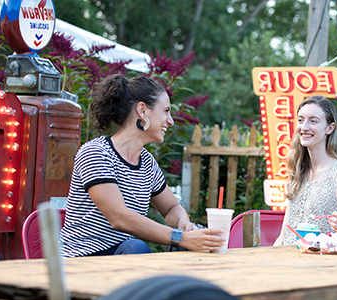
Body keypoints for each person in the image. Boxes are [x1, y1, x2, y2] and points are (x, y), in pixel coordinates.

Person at [60, 74, 224, 257]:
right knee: (137, 248)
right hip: (80, 260)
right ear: (142, 111)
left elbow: (171, 209)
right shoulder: (96, 153)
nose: (171, 121)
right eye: (166, 111)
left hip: (122, 258)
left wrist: (184, 224)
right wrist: (180, 237)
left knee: (168, 249)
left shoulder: (146, 162)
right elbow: (119, 218)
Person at [274, 95, 337, 248]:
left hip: (324, 267)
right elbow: (283, 237)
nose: (304, 127)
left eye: (313, 121)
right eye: (300, 120)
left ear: (330, 128)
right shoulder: (298, 169)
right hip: (288, 265)